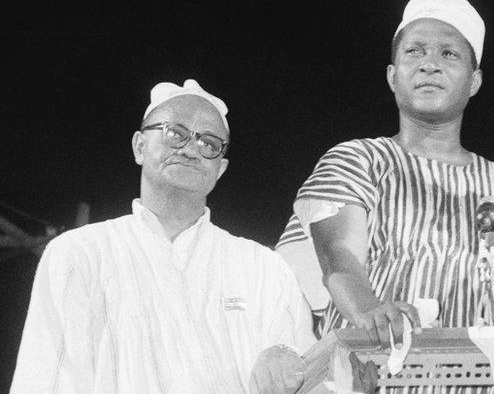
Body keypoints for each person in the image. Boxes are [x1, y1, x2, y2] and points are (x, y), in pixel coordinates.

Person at [11, 79, 316, 393]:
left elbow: (310, 370)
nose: (191, 149)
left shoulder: (264, 268)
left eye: (209, 143)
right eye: (175, 133)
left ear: (220, 169)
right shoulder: (81, 253)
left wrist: (287, 356)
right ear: (140, 146)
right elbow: (46, 379)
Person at [276, 0, 494, 349]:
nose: (429, 64)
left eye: (449, 53)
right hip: (375, 369)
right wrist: (370, 311)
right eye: (414, 51)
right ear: (393, 76)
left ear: (475, 81)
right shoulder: (358, 159)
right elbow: (338, 258)